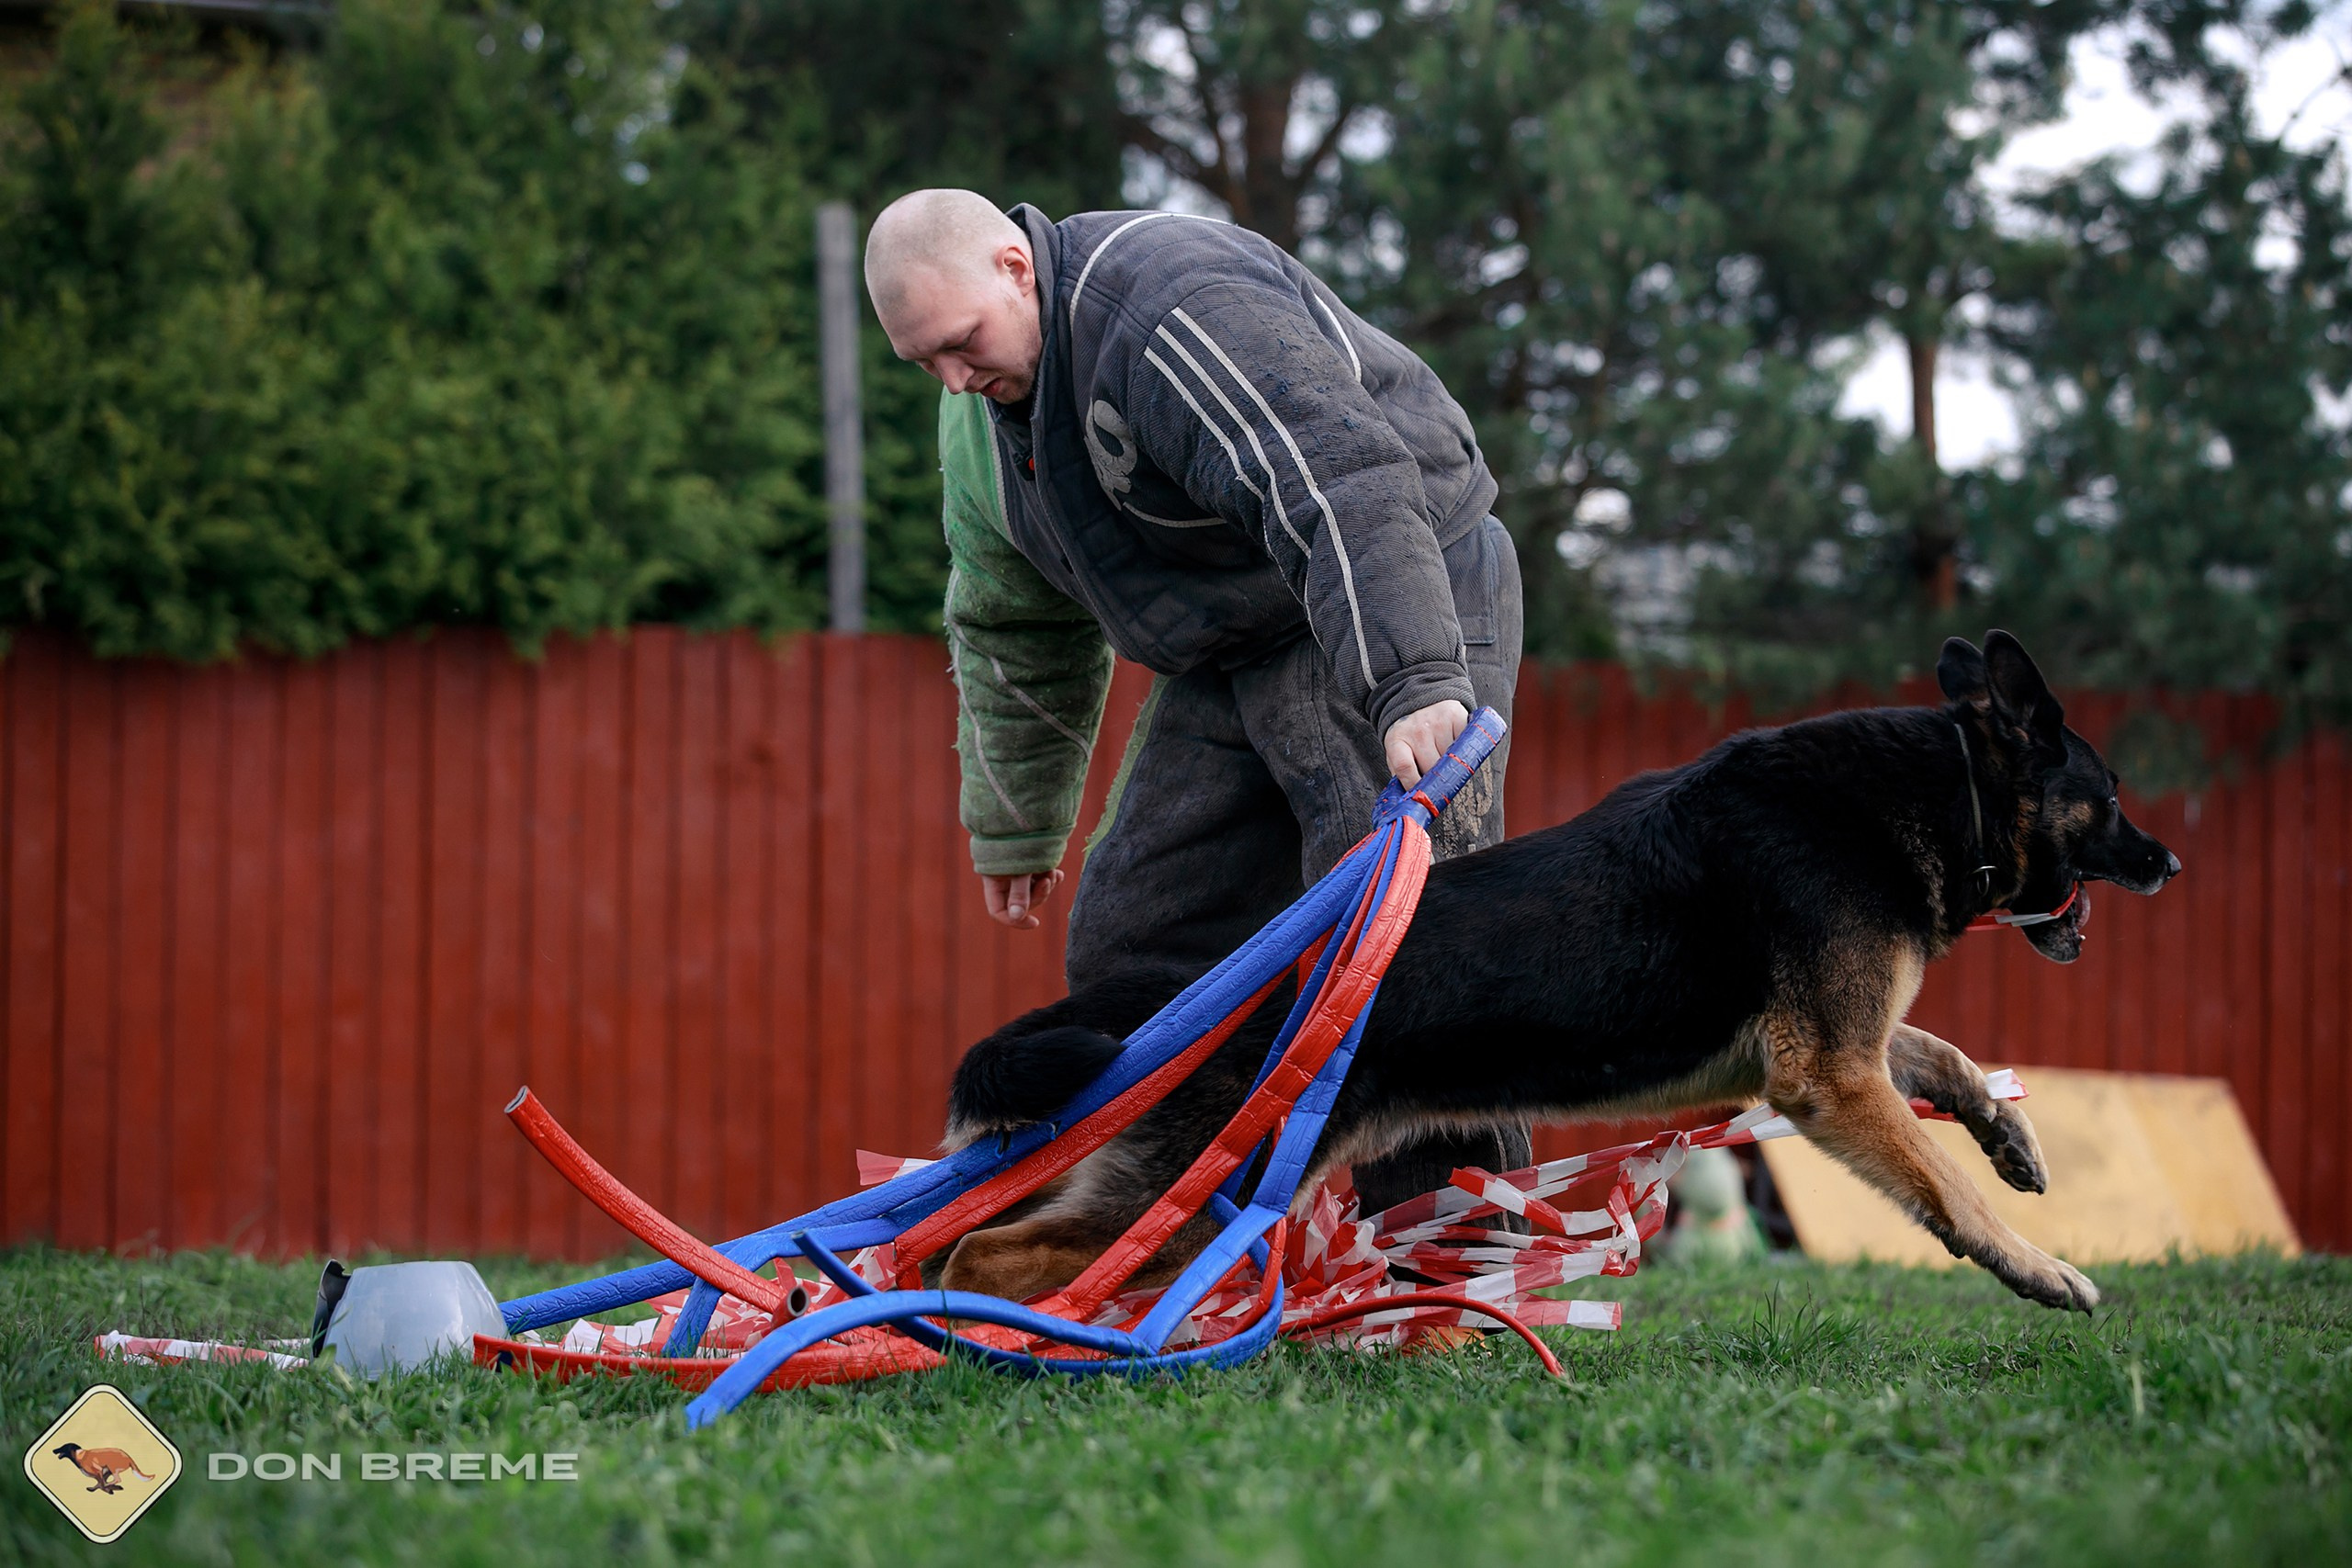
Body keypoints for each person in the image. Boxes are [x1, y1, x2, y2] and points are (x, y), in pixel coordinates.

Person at [865, 188, 1528, 1214]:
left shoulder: (1163, 304)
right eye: (925, 365)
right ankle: (1165, 1224)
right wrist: (1016, 823)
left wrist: (1412, 681)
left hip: (1397, 576)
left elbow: (1339, 476)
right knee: (1138, 929)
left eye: (960, 343)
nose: (953, 379)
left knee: (1397, 918)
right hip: (1234, 637)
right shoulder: (981, 423)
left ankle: (1448, 1260)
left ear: (1013, 267)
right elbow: (1011, 622)